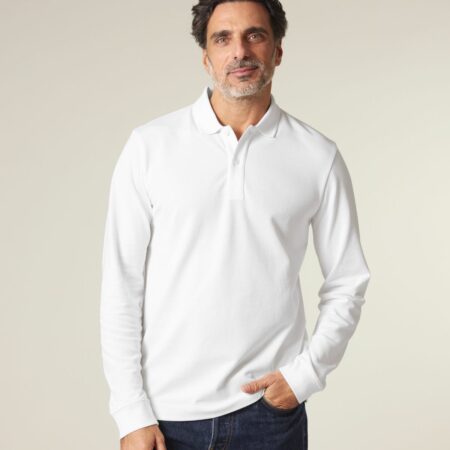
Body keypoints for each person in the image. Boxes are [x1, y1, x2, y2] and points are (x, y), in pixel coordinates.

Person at [100, 1, 371, 449]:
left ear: (277, 50)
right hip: (165, 417)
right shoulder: (150, 147)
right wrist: (130, 412)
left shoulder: (317, 156)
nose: (239, 51)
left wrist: (306, 375)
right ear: (206, 57)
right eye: (222, 38)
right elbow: (121, 285)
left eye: (254, 35)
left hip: (268, 416)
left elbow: (348, 280)